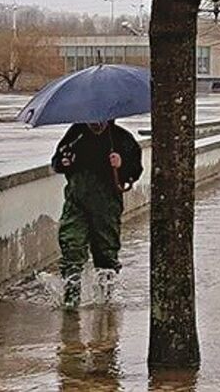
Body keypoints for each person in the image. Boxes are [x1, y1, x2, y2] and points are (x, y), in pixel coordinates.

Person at [51, 120, 142, 308]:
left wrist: (121, 164)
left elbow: (135, 169)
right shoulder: (75, 134)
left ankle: (105, 301)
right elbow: (57, 162)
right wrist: (64, 162)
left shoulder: (122, 138)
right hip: (76, 204)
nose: (96, 124)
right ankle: (71, 300)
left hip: (107, 206)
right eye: (92, 121)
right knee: (72, 246)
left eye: (100, 121)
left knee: (106, 253)